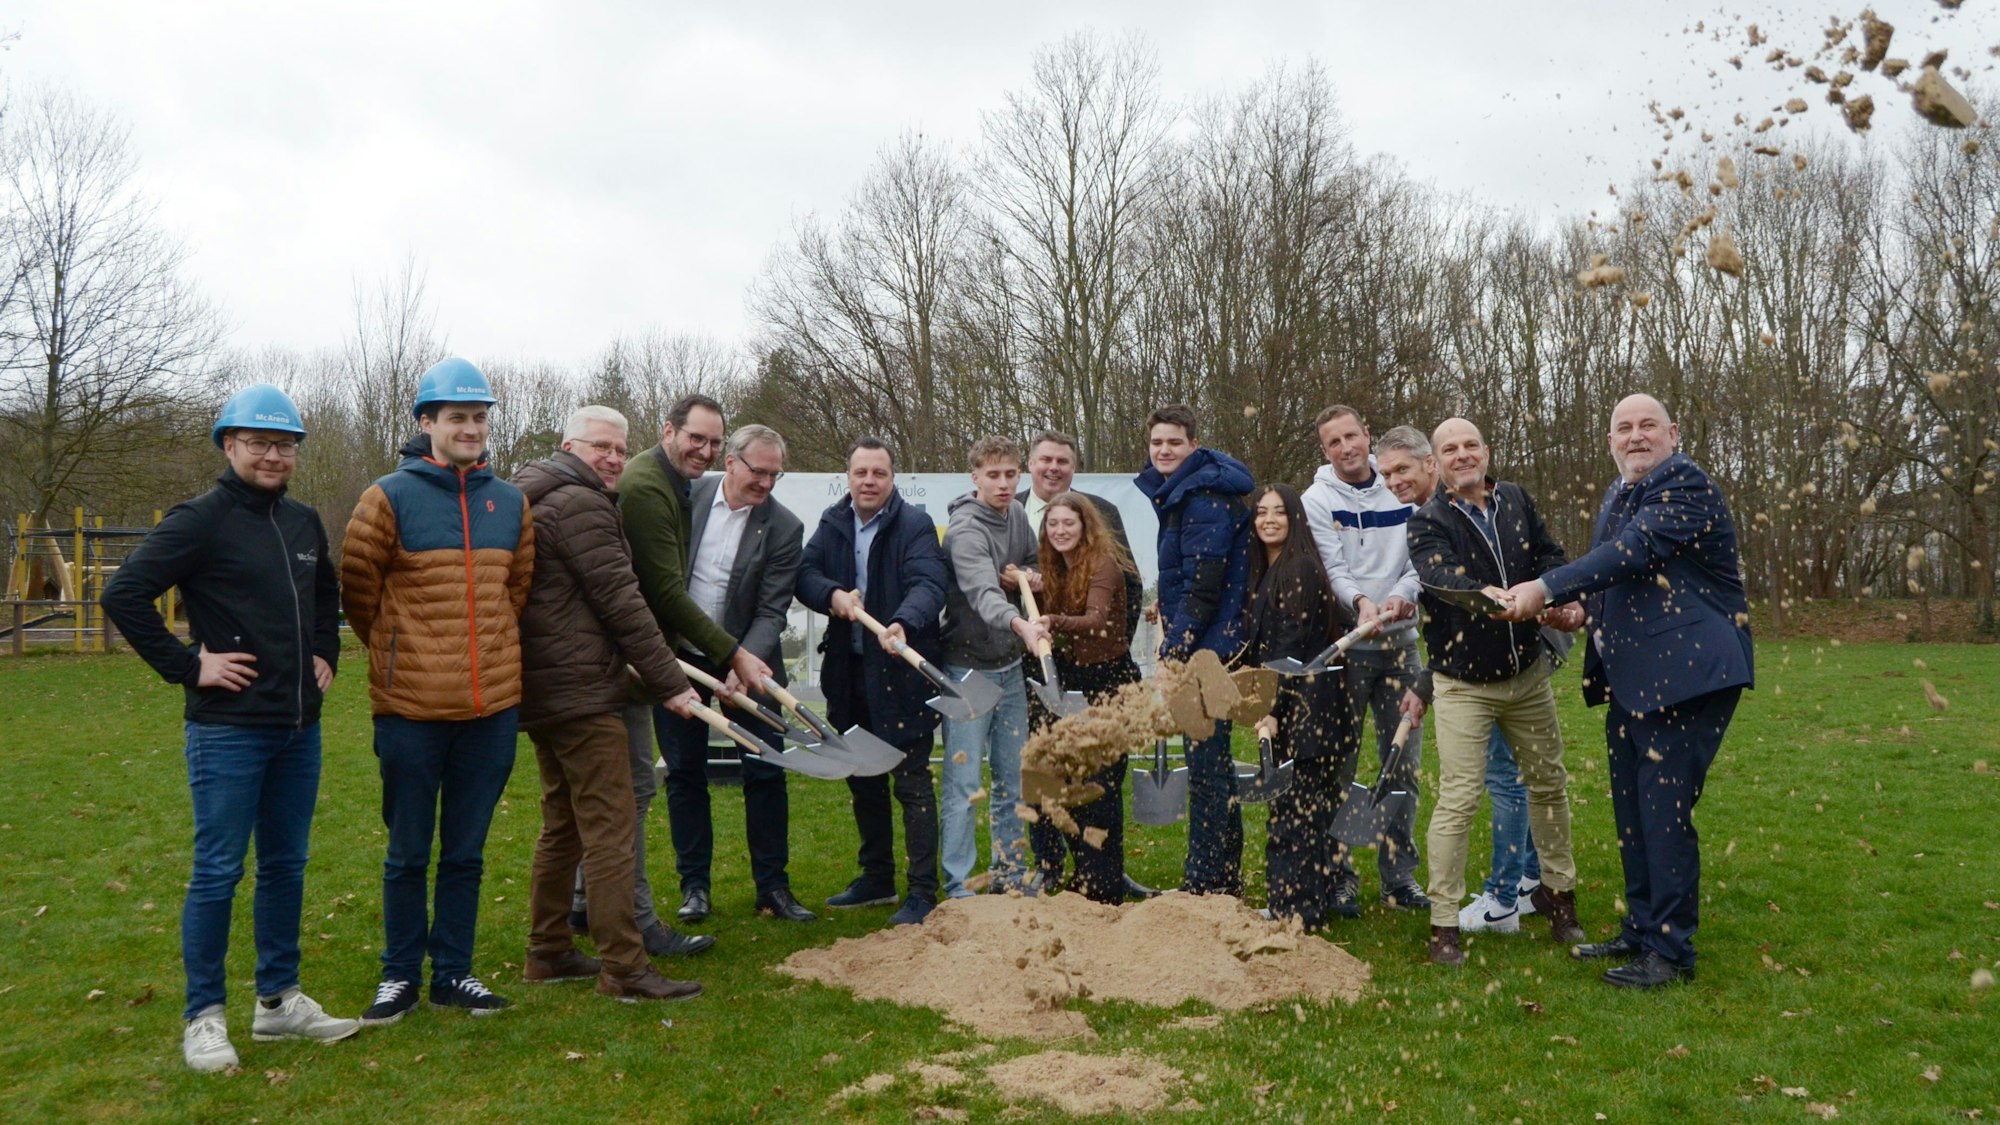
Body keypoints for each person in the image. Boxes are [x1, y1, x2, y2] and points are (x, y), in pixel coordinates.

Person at [101, 385, 359, 1071]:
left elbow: (327, 592)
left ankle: (277, 1003)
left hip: (299, 728)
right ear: (229, 445)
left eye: (285, 445)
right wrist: (189, 666)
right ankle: (204, 1016)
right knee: (218, 870)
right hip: (228, 732)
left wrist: (326, 651)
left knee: (285, 865)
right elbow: (123, 593)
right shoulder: (201, 519)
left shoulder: (304, 523)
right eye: (260, 443)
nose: (274, 455)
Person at [1501, 394, 1754, 988]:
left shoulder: (1684, 485)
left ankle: (1670, 954)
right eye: (1623, 428)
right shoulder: (1620, 493)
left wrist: (1544, 584)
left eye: (1647, 426)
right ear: (1610, 440)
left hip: (1692, 674)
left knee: (1664, 815)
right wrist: (1575, 610)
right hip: (1637, 679)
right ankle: (1641, 931)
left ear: (1672, 434)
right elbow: (1622, 579)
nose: (1635, 436)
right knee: (1635, 814)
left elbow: (1632, 552)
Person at [342, 356, 534, 1020]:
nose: (471, 428)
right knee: (407, 850)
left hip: (491, 715)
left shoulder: (510, 502)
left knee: (466, 851)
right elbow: (359, 595)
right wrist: (402, 655)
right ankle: (399, 974)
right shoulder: (386, 498)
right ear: (427, 422)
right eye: (458, 417)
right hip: (411, 713)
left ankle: (454, 971)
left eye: (480, 417)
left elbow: (517, 592)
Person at [512, 405, 706, 1003]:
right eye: (602, 447)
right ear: (569, 444)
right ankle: (623, 965)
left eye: (621, 450)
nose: (614, 459)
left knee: (564, 822)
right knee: (612, 824)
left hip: (543, 688)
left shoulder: (530, 494)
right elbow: (623, 603)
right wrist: (670, 681)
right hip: (583, 691)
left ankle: (547, 950)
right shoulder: (582, 503)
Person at [1405, 416, 1585, 967]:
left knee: (1548, 784)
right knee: (1459, 798)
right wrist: (1497, 598)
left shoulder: (1517, 501)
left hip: (1527, 676)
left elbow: (1551, 556)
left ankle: (1558, 894)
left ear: (1485, 451)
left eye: (1470, 445)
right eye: (1450, 449)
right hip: (1462, 686)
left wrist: (1560, 594)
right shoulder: (1427, 521)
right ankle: (1443, 923)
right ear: (1435, 463)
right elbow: (1443, 581)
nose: (1462, 455)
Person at [605, 392, 758, 958]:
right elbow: (665, 591)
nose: (706, 450)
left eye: (716, 442)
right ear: (668, 431)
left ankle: (581, 903)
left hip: (640, 657)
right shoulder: (646, 486)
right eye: (696, 437)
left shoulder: (674, 485)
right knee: (631, 789)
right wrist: (732, 655)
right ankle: (633, 921)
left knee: (620, 789)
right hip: (624, 660)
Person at [1377, 426, 1542, 934]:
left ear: (1430, 464)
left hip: (1505, 664)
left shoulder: (1474, 511)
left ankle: (1504, 897)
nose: (1395, 481)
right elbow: (1449, 621)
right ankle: (1530, 879)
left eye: (1403, 469)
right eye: (1386, 474)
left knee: (1504, 777)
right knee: (1512, 774)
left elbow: (1471, 608)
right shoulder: (1428, 521)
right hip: (1466, 666)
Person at [796, 437, 950, 926]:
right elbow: (804, 574)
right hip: (850, 675)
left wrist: (904, 621)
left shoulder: (915, 525)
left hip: (901, 675)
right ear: (848, 477)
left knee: (911, 785)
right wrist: (834, 596)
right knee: (864, 779)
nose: (868, 481)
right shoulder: (833, 522)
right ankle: (876, 878)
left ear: (892, 479)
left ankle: (923, 891)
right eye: (860, 473)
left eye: (878, 474)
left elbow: (930, 583)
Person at [666, 424, 814, 924]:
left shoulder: (784, 527)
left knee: (766, 770)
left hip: (748, 660)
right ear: (730, 462)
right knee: (685, 773)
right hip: (680, 659)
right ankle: (695, 887)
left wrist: (742, 662)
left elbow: (773, 610)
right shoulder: (686, 497)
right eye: (759, 471)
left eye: (776, 474)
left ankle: (772, 888)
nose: (767, 483)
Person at [1300, 406, 1429, 912]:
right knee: (1341, 764)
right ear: (1325, 451)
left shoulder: (1399, 487)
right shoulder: (1317, 499)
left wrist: (1401, 596)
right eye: (1333, 442)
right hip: (1349, 648)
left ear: (1367, 436)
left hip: (1402, 646)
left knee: (1403, 763)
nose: (1345, 447)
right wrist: (1359, 604)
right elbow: (1331, 563)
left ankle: (1399, 876)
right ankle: (1339, 874)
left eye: (1351, 436)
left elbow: (1422, 554)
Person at [1134, 404, 1254, 895]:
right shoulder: (1183, 491)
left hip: (1209, 647)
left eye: (1174, 443)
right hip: (1205, 638)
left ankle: (1205, 881)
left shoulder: (1203, 496)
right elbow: (1185, 576)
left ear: (1194, 446)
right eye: (1157, 443)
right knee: (1214, 762)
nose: (1164, 450)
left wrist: (1175, 647)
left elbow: (1205, 585)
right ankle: (1222, 878)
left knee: (1206, 766)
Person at [1241, 484, 1363, 931]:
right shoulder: (1267, 569)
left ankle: (1298, 911)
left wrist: (1272, 709)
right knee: (1293, 808)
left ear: (1295, 519)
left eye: (1279, 512)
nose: (1268, 519)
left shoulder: (1300, 569)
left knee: (1297, 813)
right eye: (1261, 513)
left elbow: (1292, 650)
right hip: (1293, 703)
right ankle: (1295, 903)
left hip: (1309, 707)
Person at [939, 436, 1047, 898]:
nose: (1003, 484)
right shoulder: (965, 529)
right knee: (964, 780)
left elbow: (1032, 562)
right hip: (967, 669)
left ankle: (1009, 872)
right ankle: (959, 883)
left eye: (1010, 474)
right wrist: (1021, 623)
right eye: (993, 475)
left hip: (1009, 665)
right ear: (975, 477)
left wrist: (1032, 577)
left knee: (1012, 776)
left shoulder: (1018, 515)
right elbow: (983, 592)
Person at [1024, 491, 1141, 904]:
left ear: (1085, 526)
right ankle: (1086, 876)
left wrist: (1051, 618)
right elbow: (1051, 607)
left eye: (1068, 524)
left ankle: (1106, 886)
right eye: (1052, 524)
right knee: (1071, 785)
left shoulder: (1103, 564)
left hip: (1110, 685)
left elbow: (1094, 619)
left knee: (1101, 789)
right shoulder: (1057, 567)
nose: (1059, 531)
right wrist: (1034, 592)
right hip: (1074, 682)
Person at [1020, 430, 1144, 641]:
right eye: (1046, 459)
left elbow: (1130, 582)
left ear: (1073, 467)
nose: (1053, 467)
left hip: (1086, 653)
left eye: (1062, 461)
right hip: (1020, 652)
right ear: (1031, 463)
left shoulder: (1103, 512)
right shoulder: (1008, 511)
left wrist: (1118, 642)